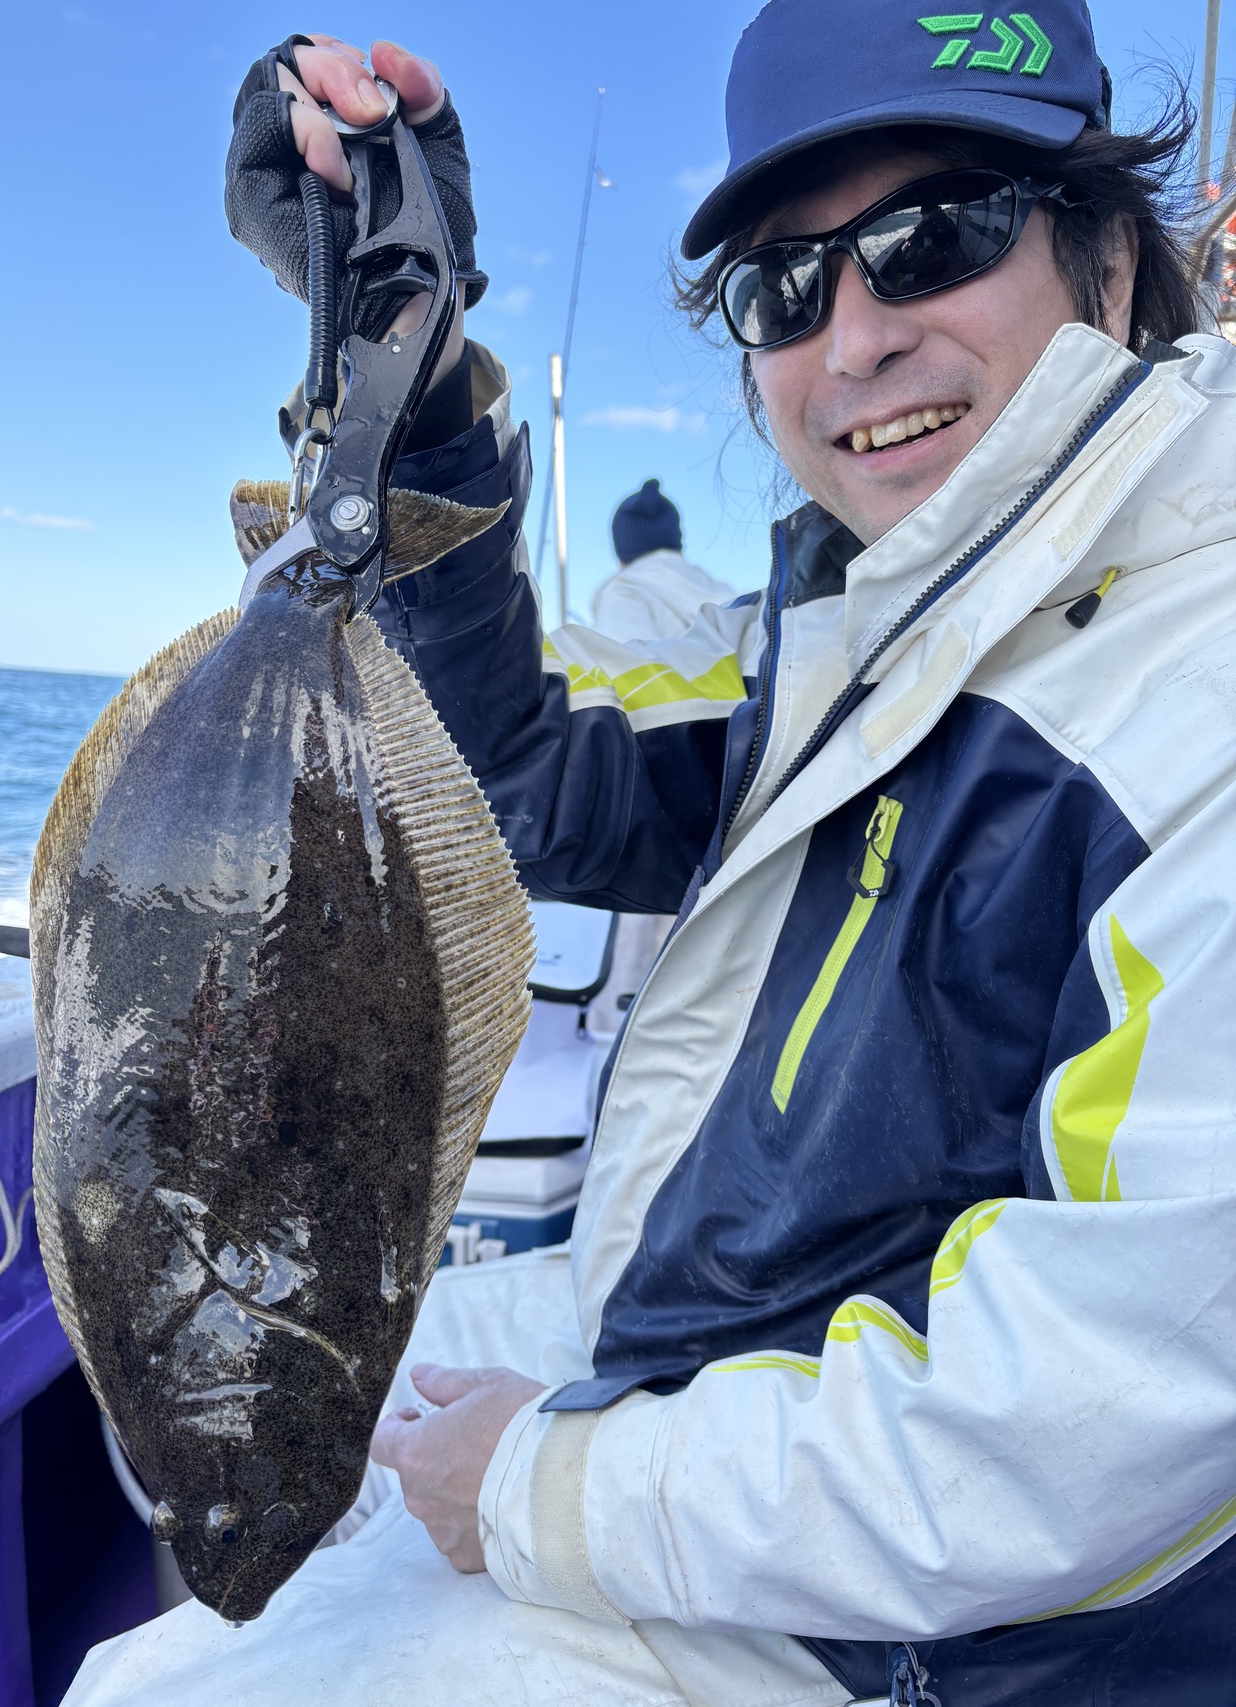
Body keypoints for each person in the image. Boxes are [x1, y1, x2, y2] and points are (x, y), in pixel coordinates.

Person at [67, 4, 1236, 1704]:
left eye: (936, 236)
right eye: (788, 284)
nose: (855, 340)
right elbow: (526, 774)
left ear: (1114, 265)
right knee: (177, 1508)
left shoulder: (1194, 686)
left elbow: (1087, 1420)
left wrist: (542, 1493)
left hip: (942, 1627)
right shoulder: (842, 638)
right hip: (702, 1347)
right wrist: (403, 358)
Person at [590, 479, 740, 642]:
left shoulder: (625, 593)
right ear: (677, 543)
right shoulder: (731, 601)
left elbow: (619, 655)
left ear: (622, 557)